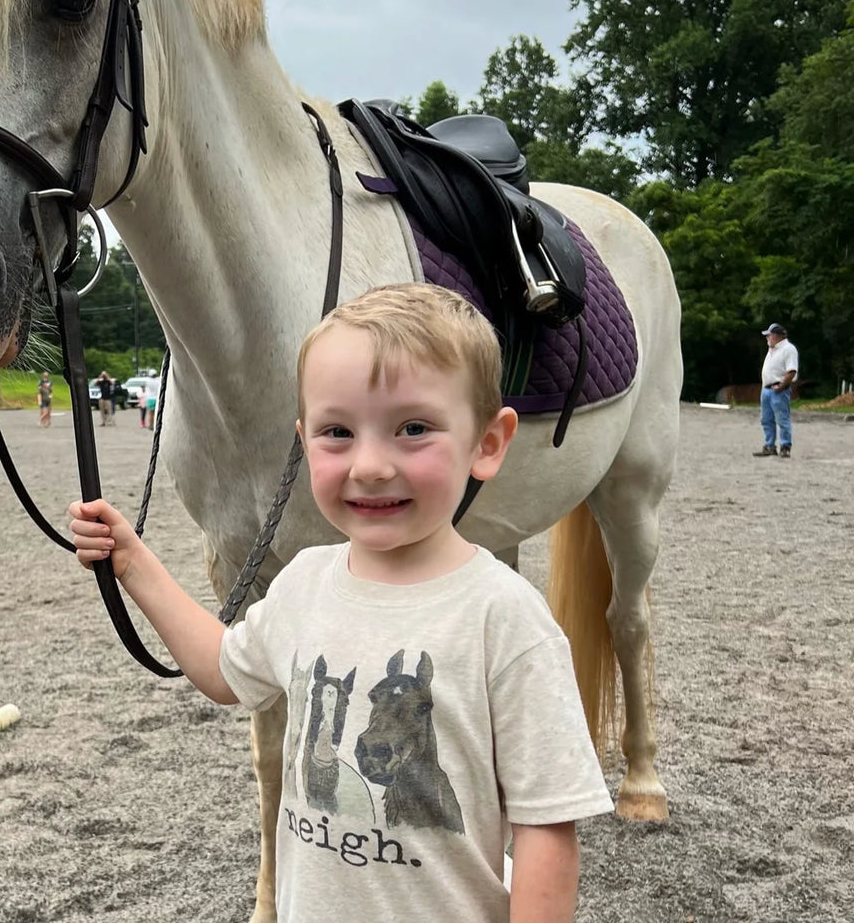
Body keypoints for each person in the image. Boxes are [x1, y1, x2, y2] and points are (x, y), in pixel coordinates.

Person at [69, 283, 612, 922]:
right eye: (337, 432)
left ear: (488, 443)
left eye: (414, 428)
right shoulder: (304, 581)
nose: (371, 464)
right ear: (304, 440)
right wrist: (133, 562)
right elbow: (224, 672)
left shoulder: (506, 619)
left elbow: (547, 828)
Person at [754, 323, 799, 458]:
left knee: (782, 419)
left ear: (777, 336)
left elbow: (791, 371)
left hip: (778, 389)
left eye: (769, 335)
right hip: (767, 389)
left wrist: (782, 385)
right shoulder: (772, 349)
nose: (767, 337)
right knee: (766, 419)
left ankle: (785, 446)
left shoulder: (788, 349)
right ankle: (769, 446)